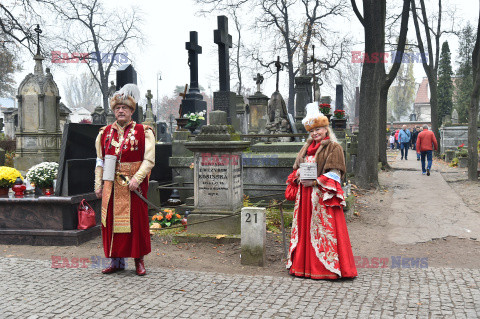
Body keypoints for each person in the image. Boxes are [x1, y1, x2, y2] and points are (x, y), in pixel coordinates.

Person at [285, 102, 357, 280]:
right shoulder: (305, 148)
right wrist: (298, 174)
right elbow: (296, 170)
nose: (315, 133)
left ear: (326, 129)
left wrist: (316, 182)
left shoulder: (334, 147)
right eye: (312, 131)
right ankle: (303, 267)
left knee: (324, 232)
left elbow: (335, 174)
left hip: (322, 197)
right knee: (305, 231)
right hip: (305, 197)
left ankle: (325, 268)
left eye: (318, 129)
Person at [94, 84, 155, 276]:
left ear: (131, 111)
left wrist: (137, 178)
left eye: (125, 108)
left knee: (136, 223)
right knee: (111, 223)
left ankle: (139, 261)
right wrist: (98, 184)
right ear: (113, 111)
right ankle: (116, 261)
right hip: (111, 184)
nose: (121, 111)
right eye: (117, 108)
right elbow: (100, 160)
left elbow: (149, 159)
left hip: (133, 185)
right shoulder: (104, 133)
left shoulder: (143, 131)